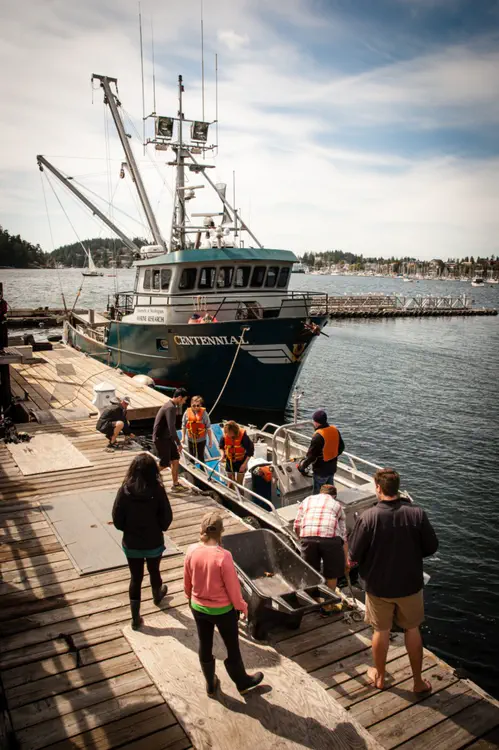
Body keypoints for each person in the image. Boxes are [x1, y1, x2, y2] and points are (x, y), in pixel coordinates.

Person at [348, 468, 439, 693]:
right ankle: (418, 682)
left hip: (378, 586)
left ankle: (379, 677)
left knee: (381, 631)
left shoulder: (368, 517)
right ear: (397, 488)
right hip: (410, 584)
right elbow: (431, 547)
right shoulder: (417, 513)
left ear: (378, 488)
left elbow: (354, 554)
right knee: (412, 629)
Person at [184, 511, 264, 696]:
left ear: (202, 530)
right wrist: (242, 607)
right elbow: (233, 589)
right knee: (232, 646)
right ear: (221, 532)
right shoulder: (224, 556)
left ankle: (210, 684)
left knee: (205, 644)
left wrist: (190, 597)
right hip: (223, 611)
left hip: (198, 607)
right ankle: (242, 683)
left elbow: (187, 581)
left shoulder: (191, 551)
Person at [112, 453, 173, 630]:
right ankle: (157, 595)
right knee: (154, 570)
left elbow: (116, 519)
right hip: (153, 542)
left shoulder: (124, 490)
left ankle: (135, 618)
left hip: (132, 543)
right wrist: (159, 527)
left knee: (135, 577)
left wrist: (128, 529)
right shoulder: (158, 490)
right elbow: (166, 518)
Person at [294, 484, 348, 614]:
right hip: (330, 539)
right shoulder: (337, 505)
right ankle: (328, 605)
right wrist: (346, 560)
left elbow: (297, 524)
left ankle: (313, 600)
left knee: (311, 571)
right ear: (334, 496)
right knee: (332, 573)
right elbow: (343, 535)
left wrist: (301, 538)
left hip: (308, 537)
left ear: (320, 492)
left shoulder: (307, 500)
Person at [298, 409, 344, 493]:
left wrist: (302, 466)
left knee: (318, 493)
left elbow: (311, 457)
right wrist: (332, 455)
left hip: (320, 471)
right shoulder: (335, 430)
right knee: (330, 491)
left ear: (316, 422)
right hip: (332, 468)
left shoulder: (318, 436)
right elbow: (341, 447)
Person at [152, 388, 188, 491]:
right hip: (161, 438)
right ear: (180, 398)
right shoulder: (170, 407)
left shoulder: (172, 406)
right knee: (165, 463)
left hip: (167, 437)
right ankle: (147, 476)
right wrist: (178, 443)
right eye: (184, 400)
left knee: (175, 458)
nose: (184, 402)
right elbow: (171, 427)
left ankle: (175, 485)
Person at [219, 420, 254, 485]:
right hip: (229, 461)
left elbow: (250, 451)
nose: (227, 434)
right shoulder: (225, 436)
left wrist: (244, 464)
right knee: (230, 482)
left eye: (229, 432)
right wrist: (222, 455)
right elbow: (221, 447)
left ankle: (240, 494)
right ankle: (231, 494)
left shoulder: (244, 437)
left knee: (239, 483)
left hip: (241, 462)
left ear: (234, 431)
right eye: (226, 432)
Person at [182, 395, 213, 462]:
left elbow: (208, 428)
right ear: (191, 404)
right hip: (191, 439)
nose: (196, 407)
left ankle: (202, 470)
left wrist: (210, 441)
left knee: (201, 457)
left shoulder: (204, 414)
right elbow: (184, 426)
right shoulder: (186, 413)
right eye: (193, 405)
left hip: (201, 440)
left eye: (198, 405)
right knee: (191, 456)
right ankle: (192, 470)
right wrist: (183, 438)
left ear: (201, 405)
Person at [0, 288, 9, 355]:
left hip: (2, 321)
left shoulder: (4, 302)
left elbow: (5, 312)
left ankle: (2, 349)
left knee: (3, 336)